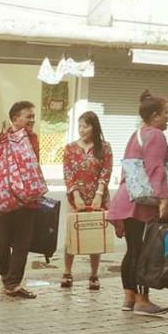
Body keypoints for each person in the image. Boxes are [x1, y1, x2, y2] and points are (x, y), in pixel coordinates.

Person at [108, 90, 168, 316]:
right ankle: (142, 301)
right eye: (166, 113)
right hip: (142, 203)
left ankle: (129, 297)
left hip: (127, 198)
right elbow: (155, 169)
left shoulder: (137, 134)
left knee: (133, 250)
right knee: (145, 252)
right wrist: (164, 199)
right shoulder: (156, 135)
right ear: (155, 115)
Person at [0, 101, 44, 299]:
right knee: (3, 242)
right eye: (28, 116)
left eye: (33, 116)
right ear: (15, 119)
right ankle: (6, 276)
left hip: (27, 200)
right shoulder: (4, 138)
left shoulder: (34, 139)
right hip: (5, 200)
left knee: (22, 243)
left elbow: (34, 166)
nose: (32, 120)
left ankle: (13, 283)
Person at [61, 111, 113, 291]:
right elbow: (68, 174)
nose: (82, 130)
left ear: (94, 127)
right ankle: (67, 272)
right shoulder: (70, 148)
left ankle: (94, 274)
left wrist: (99, 194)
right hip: (76, 198)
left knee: (95, 235)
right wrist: (75, 195)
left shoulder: (104, 148)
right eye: (80, 126)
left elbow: (106, 173)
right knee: (72, 235)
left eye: (86, 126)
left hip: (97, 198)